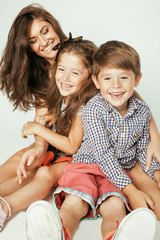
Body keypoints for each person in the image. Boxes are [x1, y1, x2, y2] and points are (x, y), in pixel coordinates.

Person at [25, 40, 159, 240]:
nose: (116, 85)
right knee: (75, 202)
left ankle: (116, 236)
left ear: (137, 80)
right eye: (107, 78)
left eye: (123, 78)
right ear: (96, 82)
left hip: (116, 173)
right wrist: (131, 191)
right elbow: (102, 154)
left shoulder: (141, 112)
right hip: (86, 166)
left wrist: (155, 173)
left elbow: (142, 150)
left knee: (115, 205)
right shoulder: (94, 109)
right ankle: (56, 232)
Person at [0, 34, 98, 231]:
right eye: (61, 70)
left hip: (78, 159)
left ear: (90, 79)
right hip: (58, 151)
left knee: (44, 173)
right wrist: (52, 119)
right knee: (24, 160)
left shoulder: (85, 104)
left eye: (75, 73)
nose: (65, 78)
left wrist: (38, 128)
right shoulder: (65, 95)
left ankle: (5, 207)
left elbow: (72, 146)